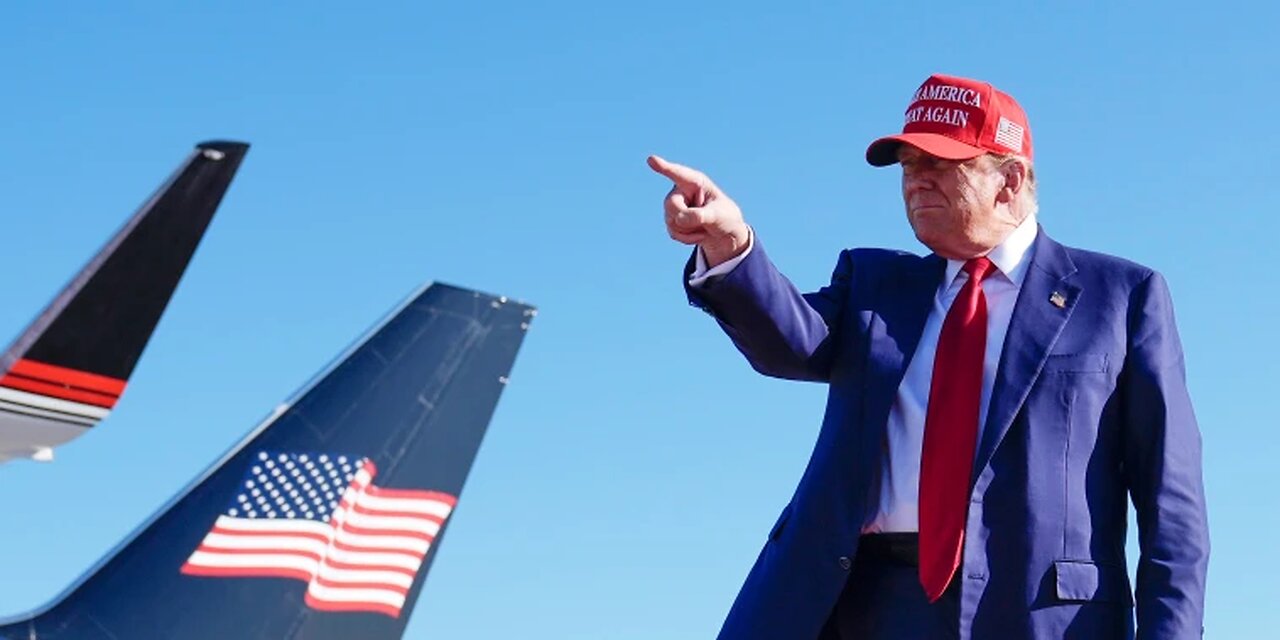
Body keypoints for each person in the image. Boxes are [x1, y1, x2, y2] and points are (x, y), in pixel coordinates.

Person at [648, 73, 1208, 640]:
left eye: (940, 164)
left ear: (1009, 180)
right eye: (908, 166)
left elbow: (1172, 505)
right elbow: (789, 342)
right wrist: (728, 243)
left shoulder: (1121, 297)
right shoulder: (873, 284)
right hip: (862, 603)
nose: (916, 181)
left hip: (1038, 615)